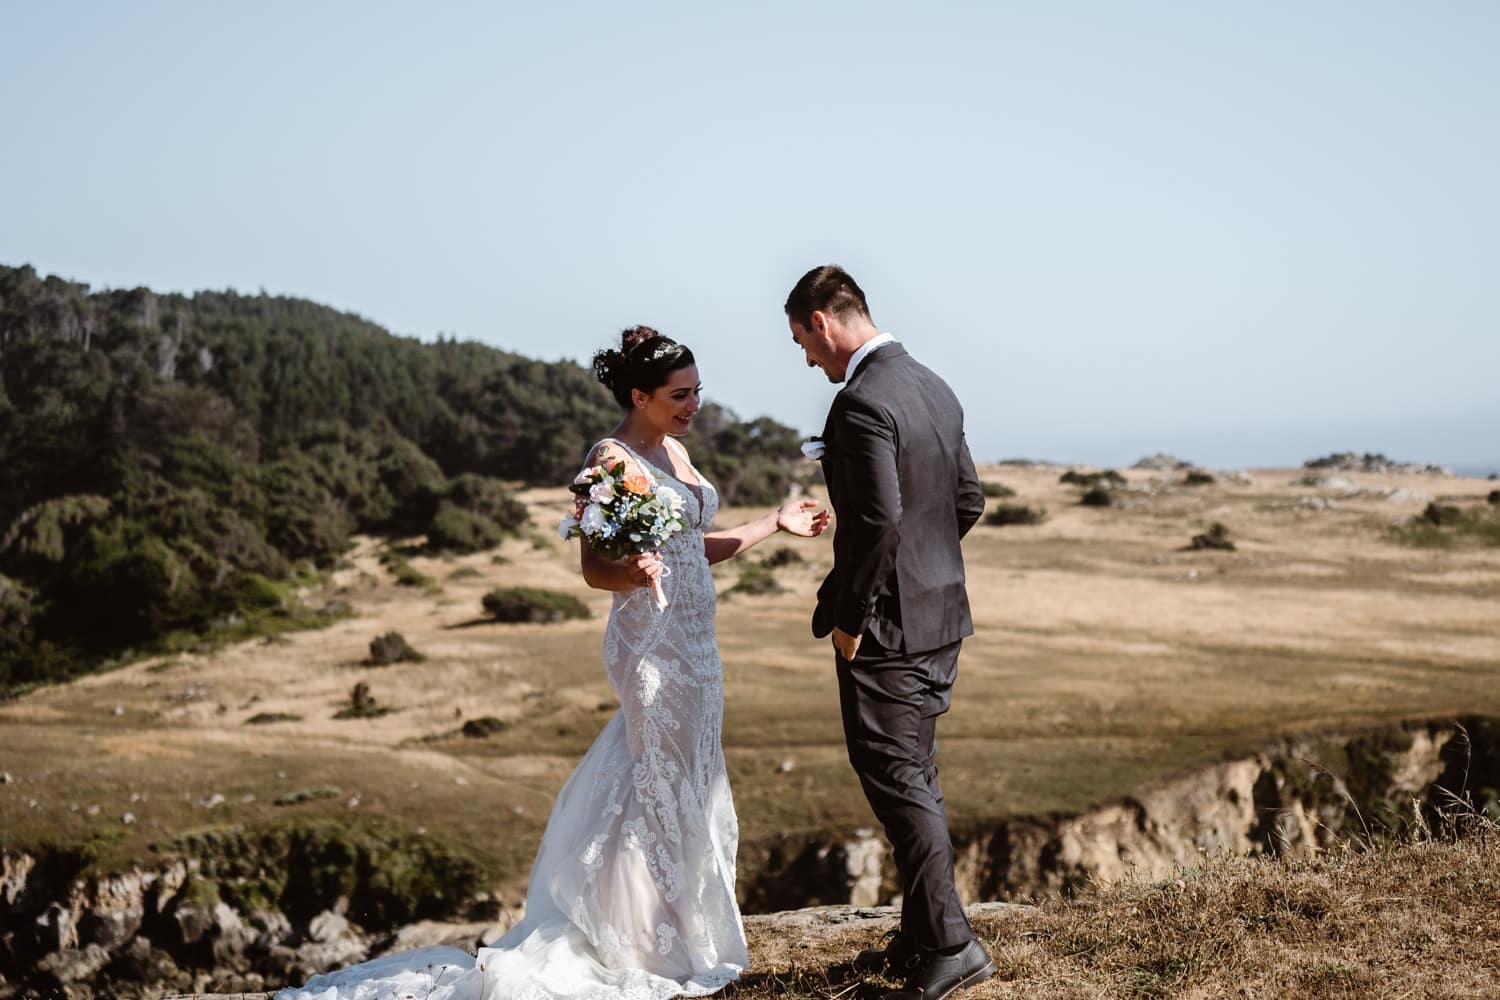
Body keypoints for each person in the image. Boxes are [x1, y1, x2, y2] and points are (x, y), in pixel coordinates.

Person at [278, 326, 827, 1000]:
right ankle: (640, 943)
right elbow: (595, 567)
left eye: (697, 392)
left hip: (698, 641)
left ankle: (662, 925)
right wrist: (631, 568)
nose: (693, 406)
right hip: (649, 643)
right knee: (656, 780)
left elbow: (694, 549)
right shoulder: (610, 459)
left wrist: (775, 522)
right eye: (680, 395)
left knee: (680, 777)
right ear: (639, 395)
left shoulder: (678, 452)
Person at [784, 266, 993, 1000]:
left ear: (824, 322)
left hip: (888, 631)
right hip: (943, 618)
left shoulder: (863, 401)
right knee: (918, 772)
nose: (808, 359)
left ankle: (951, 947)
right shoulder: (935, 385)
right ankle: (920, 930)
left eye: (803, 343)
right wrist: (926, 568)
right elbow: (966, 500)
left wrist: (850, 622)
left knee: (899, 780)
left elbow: (876, 524)